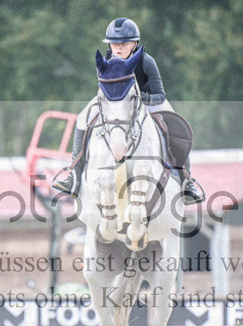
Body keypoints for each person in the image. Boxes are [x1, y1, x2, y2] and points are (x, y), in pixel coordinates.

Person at [52, 17, 205, 203]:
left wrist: (142, 99)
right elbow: (104, 90)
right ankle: (73, 175)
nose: (117, 48)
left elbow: (160, 94)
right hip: (115, 103)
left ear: (135, 43)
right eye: (113, 43)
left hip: (147, 101)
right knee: (82, 118)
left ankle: (186, 181)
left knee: (174, 123)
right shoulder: (105, 62)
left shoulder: (147, 61)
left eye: (123, 44)